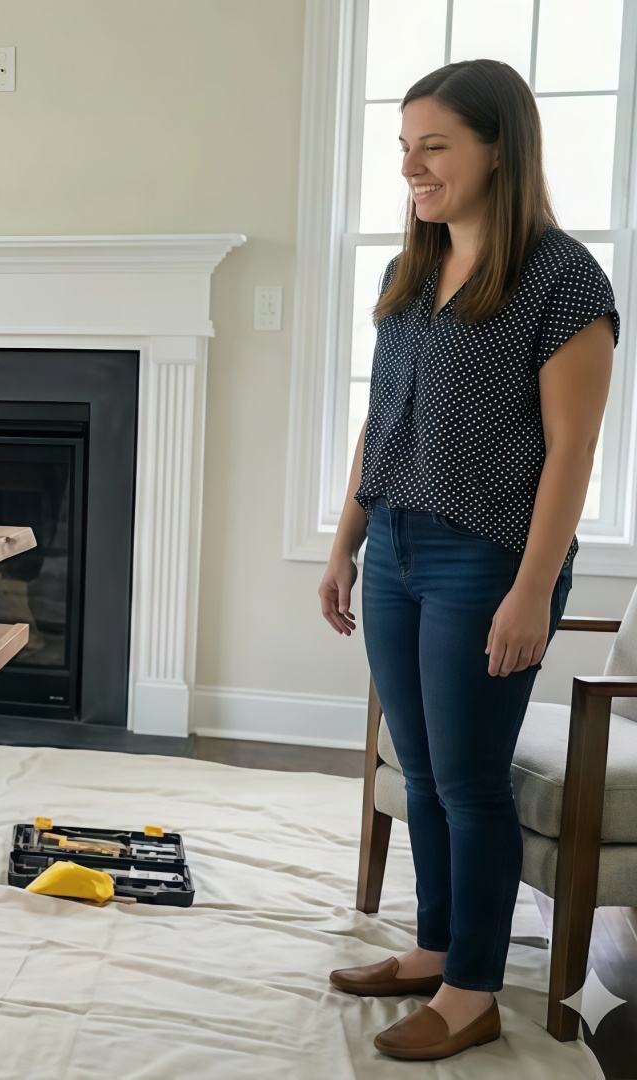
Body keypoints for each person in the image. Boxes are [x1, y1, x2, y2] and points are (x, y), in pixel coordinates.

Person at [317, 60, 616, 1061]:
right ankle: (436, 947)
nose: (413, 166)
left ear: (500, 148)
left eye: (435, 145)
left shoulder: (565, 282)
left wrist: (533, 591)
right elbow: (381, 422)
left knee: (470, 779)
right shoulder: (412, 272)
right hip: (397, 547)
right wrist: (343, 544)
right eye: (405, 147)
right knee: (427, 774)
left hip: (487, 562)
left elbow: (573, 450)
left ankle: (473, 990)